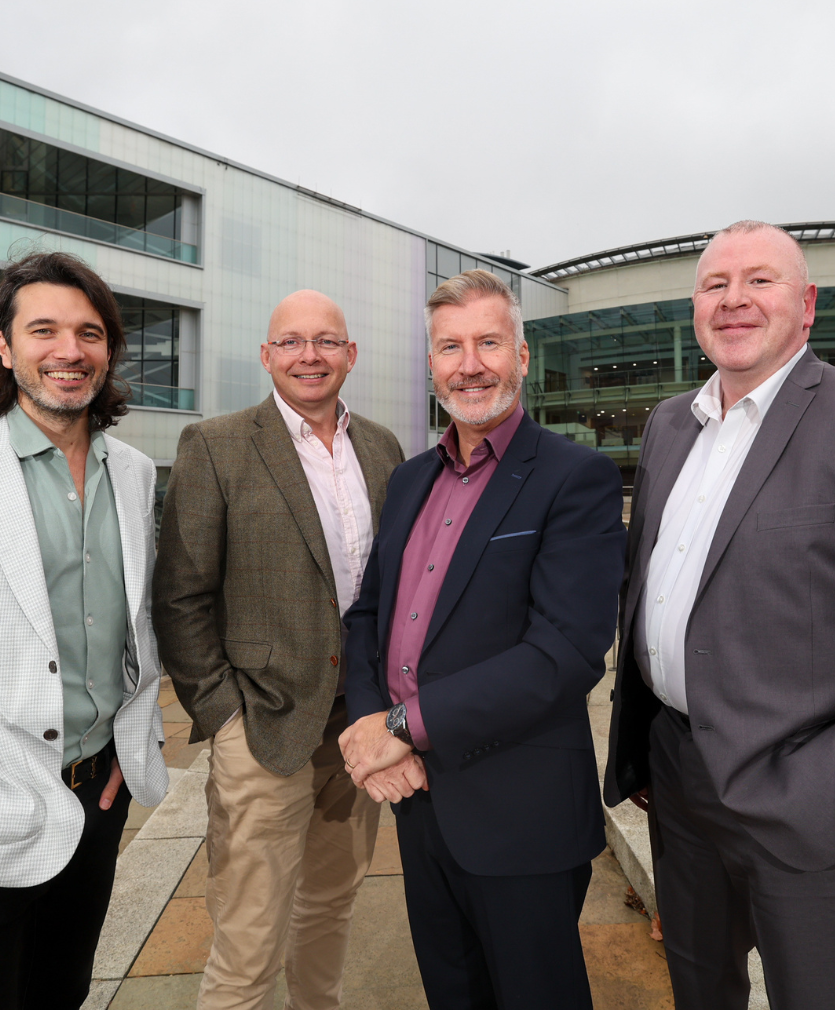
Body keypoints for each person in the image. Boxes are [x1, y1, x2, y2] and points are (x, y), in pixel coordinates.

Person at [339, 270, 626, 1010]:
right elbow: (369, 615)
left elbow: (563, 652)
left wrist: (402, 726)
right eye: (450, 347)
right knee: (452, 991)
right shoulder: (408, 481)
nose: (469, 364)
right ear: (431, 364)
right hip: (420, 802)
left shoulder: (575, 477)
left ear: (522, 357)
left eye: (488, 343)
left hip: (519, 808)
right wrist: (368, 722)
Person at [604, 219, 835, 1010]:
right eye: (714, 284)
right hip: (676, 777)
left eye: (759, 281)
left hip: (801, 794)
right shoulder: (671, 423)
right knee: (701, 989)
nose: (734, 299)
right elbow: (651, 585)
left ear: (806, 304)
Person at [152, 289, 405, 1010]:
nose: (309, 356)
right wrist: (223, 715)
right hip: (262, 725)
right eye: (290, 342)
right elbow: (181, 595)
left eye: (326, 341)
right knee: (249, 932)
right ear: (267, 356)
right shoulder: (216, 444)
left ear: (350, 355)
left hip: (359, 725)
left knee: (330, 905)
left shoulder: (382, 448)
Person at [0, 251, 168, 1010]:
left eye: (89, 332)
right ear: (4, 347)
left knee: (59, 994)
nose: (69, 350)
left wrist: (133, 746)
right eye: (44, 330)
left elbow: (138, 619)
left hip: (96, 798)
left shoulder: (133, 473)